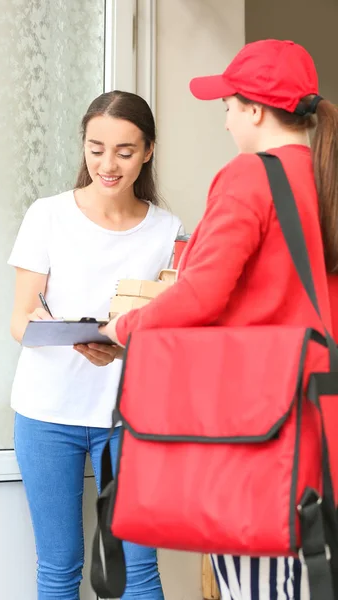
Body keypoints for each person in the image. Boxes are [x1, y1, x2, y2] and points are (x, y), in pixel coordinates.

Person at [101, 40, 338, 600]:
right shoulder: (326, 176)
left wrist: (123, 330)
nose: (227, 121)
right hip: (323, 418)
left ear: (255, 110)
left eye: (228, 107)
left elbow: (203, 294)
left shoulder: (249, 176)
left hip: (266, 426)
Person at [8, 90, 183, 600]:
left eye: (124, 152)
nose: (107, 164)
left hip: (127, 418)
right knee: (60, 568)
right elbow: (19, 319)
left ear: (148, 151)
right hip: (46, 413)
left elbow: (168, 334)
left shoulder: (168, 232)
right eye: (95, 148)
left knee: (137, 572)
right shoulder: (47, 215)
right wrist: (56, 330)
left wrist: (122, 347)